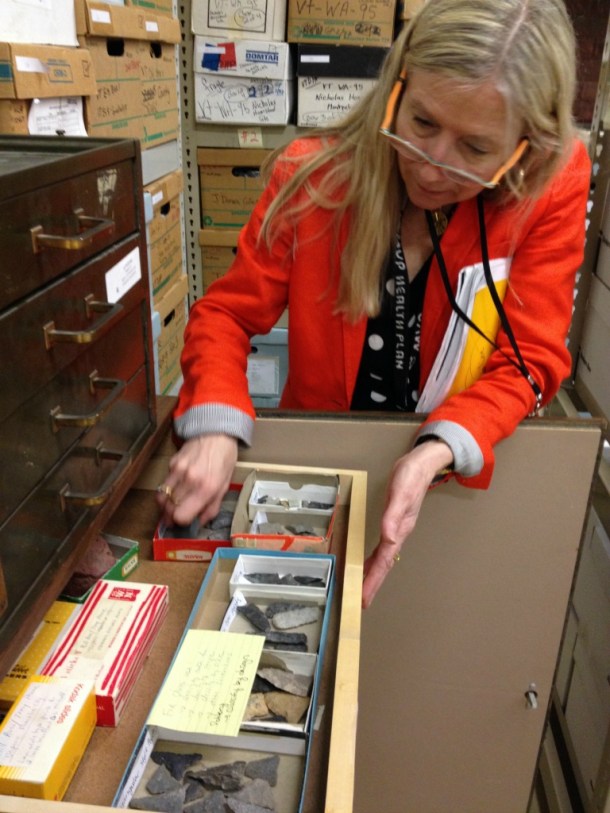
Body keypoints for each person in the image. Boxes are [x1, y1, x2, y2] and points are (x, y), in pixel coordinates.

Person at [157, 0, 590, 608]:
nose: (434, 166)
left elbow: (533, 358)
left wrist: (441, 449)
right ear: (398, 85)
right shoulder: (313, 176)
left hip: (453, 484)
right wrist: (216, 423)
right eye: (421, 122)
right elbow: (227, 315)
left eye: (475, 148)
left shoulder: (554, 182)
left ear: (527, 149)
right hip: (321, 475)